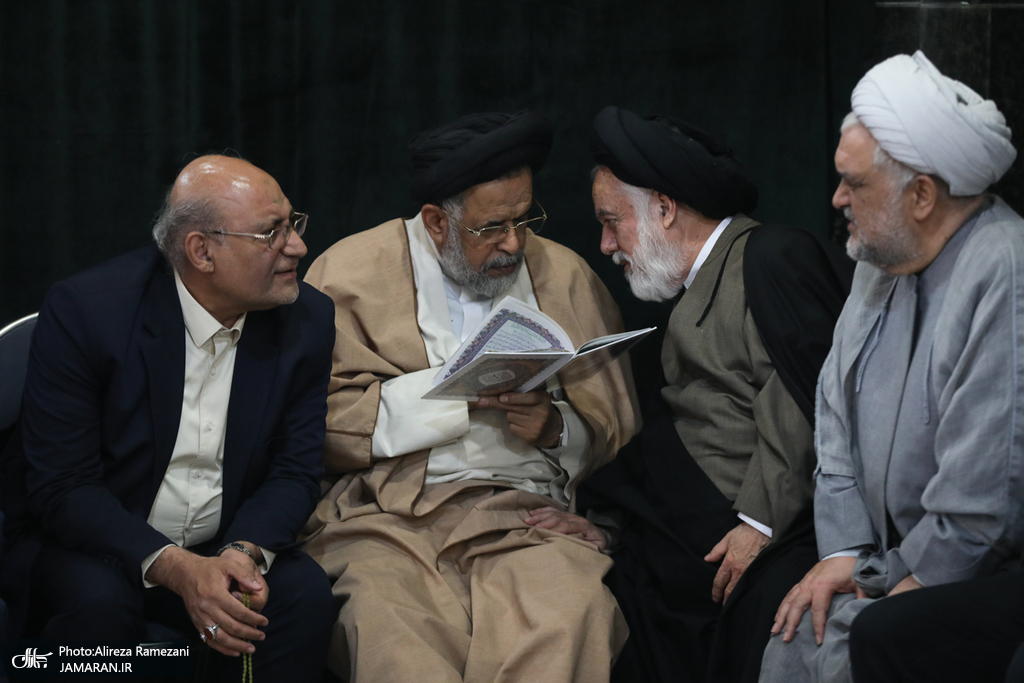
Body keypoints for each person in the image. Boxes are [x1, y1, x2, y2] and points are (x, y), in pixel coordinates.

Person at [301, 110, 639, 683]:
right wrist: (453, 398)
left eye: (524, 219)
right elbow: (313, 422)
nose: (515, 243)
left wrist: (556, 428)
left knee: (569, 617)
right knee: (395, 643)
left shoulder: (564, 274)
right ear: (437, 222)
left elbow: (618, 429)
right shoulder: (349, 272)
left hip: (527, 516)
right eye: (492, 227)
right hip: (387, 519)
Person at [0, 155, 337, 681]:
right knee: (97, 609)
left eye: (293, 223)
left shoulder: (307, 319)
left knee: (304, 597)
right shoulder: (89, 312)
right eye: (271, 232)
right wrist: (178, 568)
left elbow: (295, 470)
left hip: (223, 542)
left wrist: (241, 554)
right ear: (201, 251)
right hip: (97, 545)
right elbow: (63, 487)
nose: (296, 246)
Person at [760, 50, 1024, 683]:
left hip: (969, 574)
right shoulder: (880, 254)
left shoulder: (1004, 272)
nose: (837, 199)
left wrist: (902, 584)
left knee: (861, 644)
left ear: (922, 195)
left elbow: (983, 507)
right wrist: (847, 552)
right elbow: (834, 414)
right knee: (791, 627)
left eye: (854, 184)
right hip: (878, 557)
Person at [567, 106, 852, 683]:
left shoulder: (771, 256)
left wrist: (759, 526)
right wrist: (611, 523)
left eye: (612, 222)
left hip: (746, 531)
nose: (605, 243)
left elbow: (803, 400)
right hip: (678, 529)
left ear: (664, 209)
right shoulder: (698, 285)